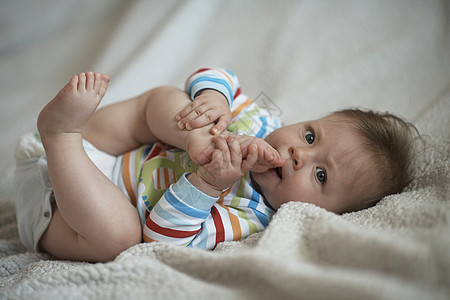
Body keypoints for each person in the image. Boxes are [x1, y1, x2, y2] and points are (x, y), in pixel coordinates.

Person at [14, 68, 418, 262]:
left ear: (323, 212)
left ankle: (60, 134)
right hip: (98, 145)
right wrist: (214, 101)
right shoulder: (259, 121)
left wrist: (206, 184)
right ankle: (70, 134)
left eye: (320, 174)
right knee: (167, 101)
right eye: (310, 136)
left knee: (120, 238)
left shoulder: (249, 215)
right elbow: (217, 74)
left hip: (65, 210)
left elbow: (162, 244)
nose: (299, 153)